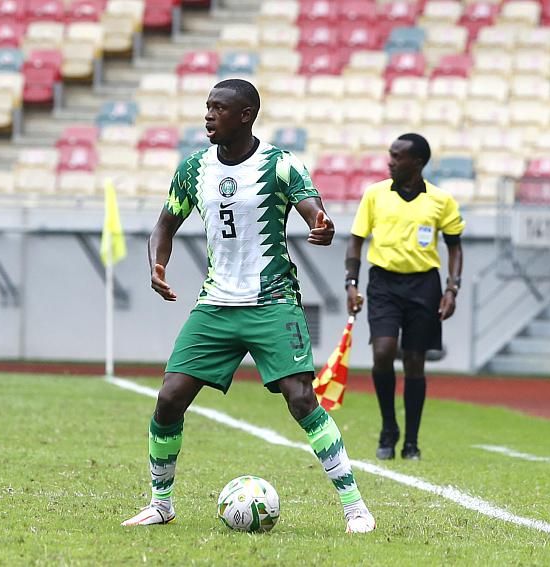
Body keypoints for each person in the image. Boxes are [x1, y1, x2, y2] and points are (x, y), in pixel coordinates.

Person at [121, 79, 375, 533]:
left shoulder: (280, 164)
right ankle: (161, 504)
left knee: (301, 398)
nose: (208, 115)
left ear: (246, 115)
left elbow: (313, 209)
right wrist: (158, 264)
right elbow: (164, 225)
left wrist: (320, 224)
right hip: (216, 304)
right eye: (207, 106)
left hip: (272, 301)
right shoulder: (193, 169)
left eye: (218, 108)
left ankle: (354, 507)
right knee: (169, 398)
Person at [344, 133, 465, 461]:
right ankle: (388, 427)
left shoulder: (441, 200)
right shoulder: (375, 194)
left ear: (418, 163)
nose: (391, 161)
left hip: (424, 285)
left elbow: (455, 248)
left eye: (398, 156)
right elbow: (356, 241)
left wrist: (452, 288)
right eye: (391, 154)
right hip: (383, 283)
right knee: (383, 352)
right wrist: (351, 283)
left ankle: (411, 441)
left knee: (414, 360)